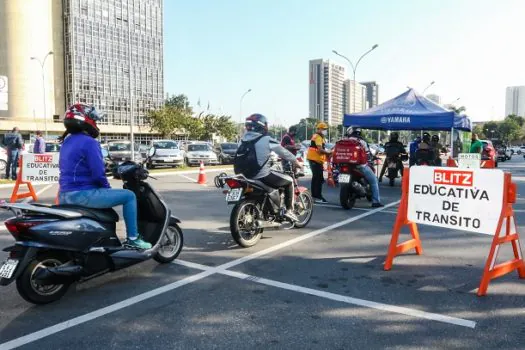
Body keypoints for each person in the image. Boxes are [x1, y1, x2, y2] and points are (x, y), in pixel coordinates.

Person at [58, 103, 152, 249]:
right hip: (82, 194)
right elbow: (98, 173)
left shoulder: (67, 141)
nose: (95, 123)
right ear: (86, 120)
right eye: (94, 120)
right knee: (129, 196)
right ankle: (133, 239)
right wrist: (106, 187)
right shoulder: (89, 142)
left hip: (65, 194)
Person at [239, 113, 303, 222]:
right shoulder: (266, 139)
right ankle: (289, 210)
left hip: (243, 175)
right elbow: (284, 152)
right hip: (261, 175)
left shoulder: (242, 140)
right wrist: (296, 162)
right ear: (262, 126)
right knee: (289, 181)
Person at [346, 127, 383, 207]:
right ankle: (376, 201)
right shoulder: (361, 141)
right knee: (374, 181)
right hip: (359, 166)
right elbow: (367, 154)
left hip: (345, 165)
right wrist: (371, 158)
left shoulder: (344, 140)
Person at [306, 122, 332, 204]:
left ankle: (314, 196)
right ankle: (317, 197)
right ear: (319, 129)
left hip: (315, 160)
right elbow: (320, 150)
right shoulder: (318, 137)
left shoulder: (317, 136)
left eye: (325, 129)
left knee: (316, 178)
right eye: (324, 129)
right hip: (315, 160)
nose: (325, 131)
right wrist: (328, 153)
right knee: (319, 178)